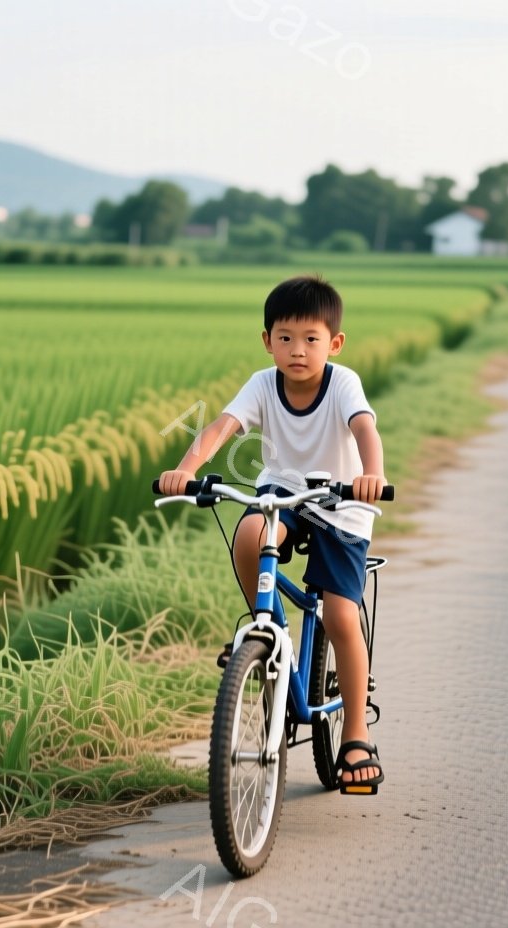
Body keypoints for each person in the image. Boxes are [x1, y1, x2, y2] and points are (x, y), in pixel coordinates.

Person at [156, 274, 388, 793]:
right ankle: (270, 631)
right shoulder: (263, 384)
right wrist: (186, 468)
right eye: (285, 337)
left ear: (334, 343)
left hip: (340, 504)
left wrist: (372, 475)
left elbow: (364, 429)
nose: (297, 350)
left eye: (311, 339)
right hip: (282, 494)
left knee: (340, 615)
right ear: (267, 341)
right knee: (248, 536)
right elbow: (221, 427)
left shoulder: (343, 384)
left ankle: (355, 732)